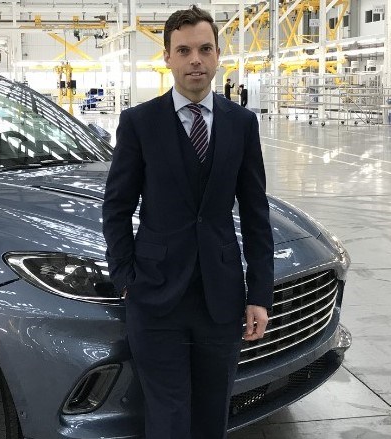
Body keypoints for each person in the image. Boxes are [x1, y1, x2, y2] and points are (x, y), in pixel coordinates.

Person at [102, 5, 274, 439]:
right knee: (167, 412)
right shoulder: (140, 123)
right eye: (184, 50)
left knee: (213, 410)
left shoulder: (241, 124)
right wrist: (125, 277)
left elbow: (256, 214)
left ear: (217, 55)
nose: (195, 59)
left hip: (221, 297)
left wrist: (260, 294)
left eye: (204, 49)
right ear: (168, 58)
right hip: (155, 295)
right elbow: (116, 207)